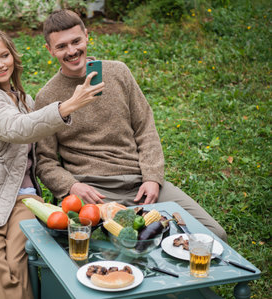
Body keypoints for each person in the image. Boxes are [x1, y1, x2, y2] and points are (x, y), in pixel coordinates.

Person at [0, 27, 103, 299]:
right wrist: (68, 105)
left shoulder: (25, 100)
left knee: (18, 260)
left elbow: (41, 139)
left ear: (13, 55)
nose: (0, 64)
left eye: (4, 55)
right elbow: (18, 128)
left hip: (23, 200)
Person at [34, 10, 227, 242]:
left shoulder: (118, 72)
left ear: (87, 36)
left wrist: (153, 177)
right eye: (62, 46)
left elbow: (145, 127)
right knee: (129, 246)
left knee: (214, 235)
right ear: (49, 50)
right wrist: (72, 186)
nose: (72, 51)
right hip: (94, 191)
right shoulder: (47, 97)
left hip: (140, 182)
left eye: (76, 41)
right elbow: (44, 160)